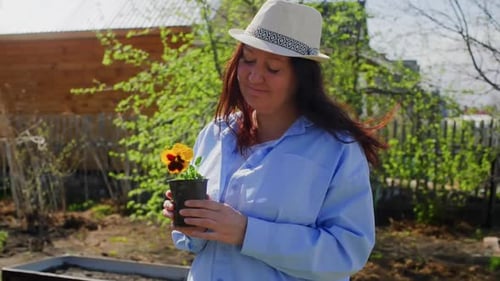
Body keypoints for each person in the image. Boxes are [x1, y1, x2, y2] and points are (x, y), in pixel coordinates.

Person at [162, 1, 389, 280]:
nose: (255, 76)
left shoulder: (335, 149)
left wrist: (247, 232)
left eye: (273, 67)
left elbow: (346, 252)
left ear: (301, 78)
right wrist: (190, 222)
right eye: (248, 59)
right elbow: (195, 244)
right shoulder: (215, 134)